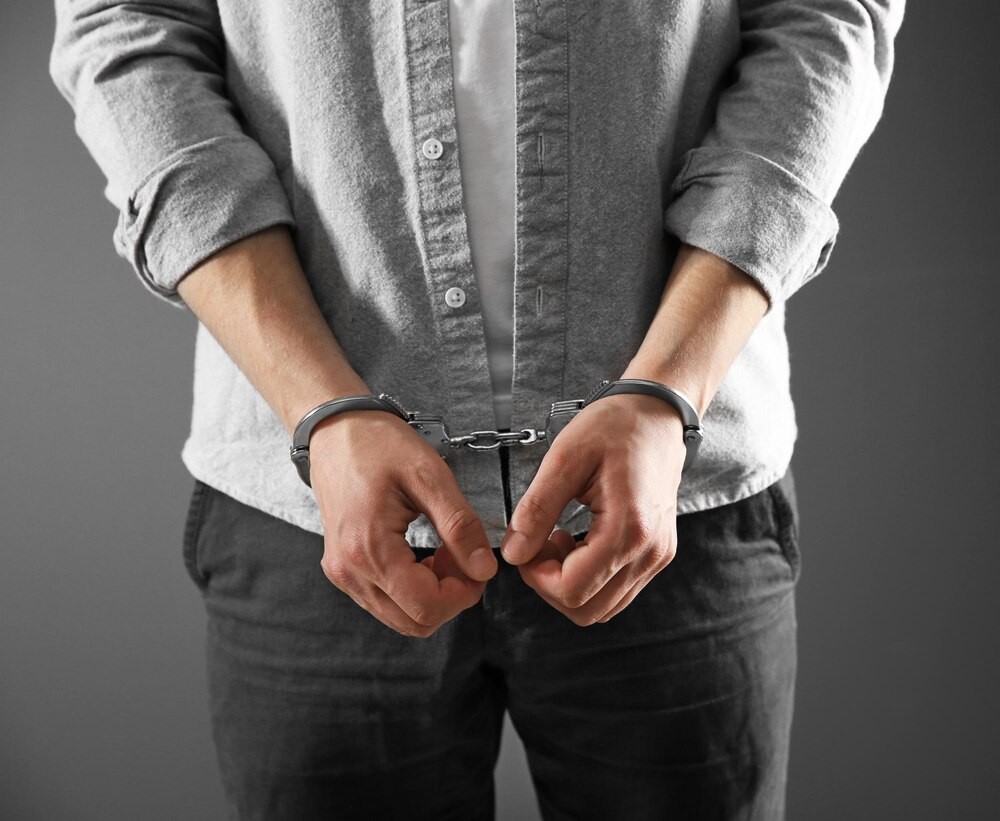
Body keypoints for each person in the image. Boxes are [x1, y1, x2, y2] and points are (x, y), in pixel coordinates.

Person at [49, 1, 904, 818]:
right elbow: (126, 24)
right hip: (313, 509)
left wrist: (668, 389)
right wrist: (318, 407)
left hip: (676, 494)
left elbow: (825, 17)